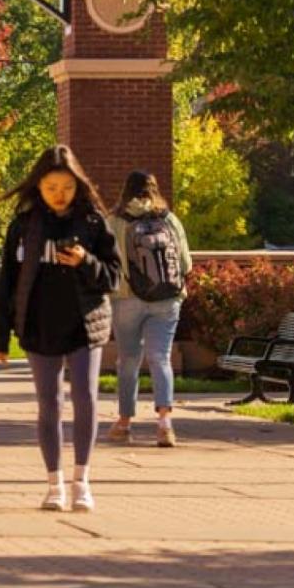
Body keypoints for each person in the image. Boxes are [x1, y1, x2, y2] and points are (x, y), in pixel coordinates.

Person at [0, 145, 120, 513]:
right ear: (39, 187)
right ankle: (54, 484)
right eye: (50, 187)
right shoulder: (24, 226)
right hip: (39, 325)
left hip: (84, 324)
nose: (59, 194)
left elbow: (113, 277)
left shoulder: (94, 223)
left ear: (78, 185)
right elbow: (8, 282)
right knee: (49, 403)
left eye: (66, 186)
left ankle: (82, 481)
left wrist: (85, 261)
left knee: (86, 398)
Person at [105, 170, 193, 448]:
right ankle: (164, 424)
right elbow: (186, 264)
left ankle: (124, 422)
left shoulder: (115, 221)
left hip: (126, 298)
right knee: (160, 357)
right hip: (167, 300)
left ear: (126, 191)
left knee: (128, 360)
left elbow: (107, 264)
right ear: (155, 190)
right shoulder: (170, 220)